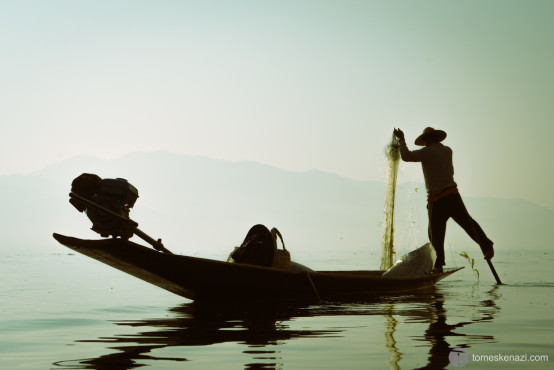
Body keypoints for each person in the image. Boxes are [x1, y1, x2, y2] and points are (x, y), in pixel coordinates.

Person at [393, 127, 494, 273]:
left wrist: (401, 139)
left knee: (435, 235)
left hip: (438, 200)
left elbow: (406, 156)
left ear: (427, 140)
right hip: (452, 196)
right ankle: (487, 246)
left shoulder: (427, 152)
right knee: (468, 223)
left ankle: (438, 265)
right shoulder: (447, 150)